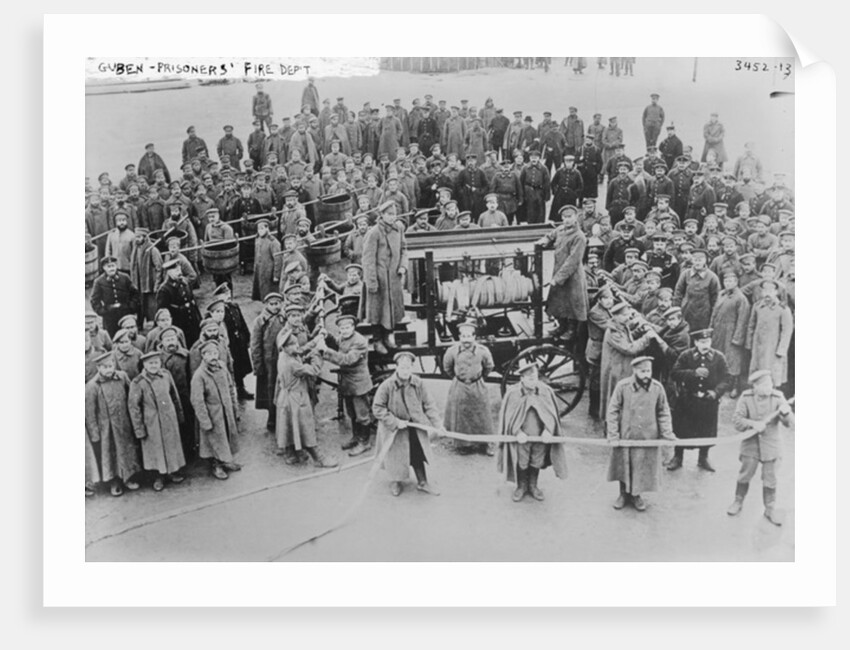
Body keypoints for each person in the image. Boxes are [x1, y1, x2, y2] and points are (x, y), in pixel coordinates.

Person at [606, 356, 677, 511]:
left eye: (648, 371)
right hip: (627, 436)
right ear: (634, 371)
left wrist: (667, 434)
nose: (646, 374)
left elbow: (663, 412)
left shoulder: (657, 388)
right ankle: (623, 494)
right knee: (623, 465)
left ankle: (637, 495)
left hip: (647, 437)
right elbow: (612, 410)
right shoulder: (623, 387)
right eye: (642, 371)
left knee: (641, 467)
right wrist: (613, 435)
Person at [495, 356, 568, 502]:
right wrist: (517, 432)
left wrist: (548, 430)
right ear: (521, 379)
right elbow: (508, 418)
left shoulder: (545, 391)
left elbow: (552, 414)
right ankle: (521, 486)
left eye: (534, 378)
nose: (532, 382)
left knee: (537, 460)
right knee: (521, 461)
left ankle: (533, 485)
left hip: (540, 437)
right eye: (529, 379)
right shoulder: (513, 393)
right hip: (521, 438)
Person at [727, 369, 794, 525]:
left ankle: (770, 509)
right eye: (765, 385)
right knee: (745, 474)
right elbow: (737, 420)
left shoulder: (778, 397)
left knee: (770, 478)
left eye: (770, 384)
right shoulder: (746, 397)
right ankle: (738, 501)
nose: (769, 388)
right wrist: (753, 424)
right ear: (755, 387)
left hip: (771, 444)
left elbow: (791, 424)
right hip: (750, 443)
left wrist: (786, 413)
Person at [372, 350, 443, 497]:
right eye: (402, 367)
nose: (406, 371)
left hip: (415, 427)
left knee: (417, 453)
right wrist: (395, 422)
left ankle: (423, 482)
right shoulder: (387, 385)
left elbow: (429, 404)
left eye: (409, 367)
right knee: (395, 455)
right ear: (396, 367)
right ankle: (396, 482)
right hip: (394, 429)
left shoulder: (418, 383)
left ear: (412, 368)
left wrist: (438, 425)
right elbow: (377, 408)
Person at [667, 328, 730, 472]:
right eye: (702, 342)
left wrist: (716, 393)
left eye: (707, 341)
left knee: (706, 430)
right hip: (688, 400)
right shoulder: (686, 355)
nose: (705, 345)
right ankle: (678, 457)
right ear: (695, 342)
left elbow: (727, 378)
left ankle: (703, 458)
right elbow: (675, 373)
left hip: (709, 401)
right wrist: (692, 373)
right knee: (682, 429)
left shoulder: (718, 357)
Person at [273, 328, 338, 467]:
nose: (296, 347)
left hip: (285, 397)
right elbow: (314, 370)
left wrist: (316, 339)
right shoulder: (292, 364)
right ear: (284, 347)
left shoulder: (283, 356)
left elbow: (300, 352)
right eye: (292, 345)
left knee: (289, 425)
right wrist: (317, 353)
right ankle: (318, 458)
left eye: (296, 343)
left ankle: (292, 454)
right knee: (306, 427)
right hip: (297, 398)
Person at [85, 351, 142, 497]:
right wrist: (94, 433)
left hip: (124, 423)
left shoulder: (122, 377)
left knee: (127, 452)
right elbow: (90, 412)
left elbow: (132, 397)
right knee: (110, 454)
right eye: (104, 367)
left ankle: (128, 478)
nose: (108, 369)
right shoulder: (92, 386)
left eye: (110, 365)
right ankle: (114, 482)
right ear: (98, 368)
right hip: (106, 429)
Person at [128, 351, 186, 492]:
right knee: (155, 450)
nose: (153, 366)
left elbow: (174, 395)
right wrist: (139, 428)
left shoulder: (166, 375)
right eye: (150, 363)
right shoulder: (138, 382)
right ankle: (158, 477)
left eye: (156, 362)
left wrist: (179, 415)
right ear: (144, 365)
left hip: (168, 418)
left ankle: (172, 471)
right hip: (151, 423)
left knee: (171, 446)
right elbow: (133, 406)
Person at [320, 313, 374, 456]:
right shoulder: (344, 338)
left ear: (353, 327)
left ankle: (364, 442)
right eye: (342, 328)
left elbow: (347, 359)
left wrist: (326, 352)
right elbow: (337, 344)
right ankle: (356, 437)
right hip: (348, 383)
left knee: (362, 415)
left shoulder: (359, 341)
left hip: (358, 384)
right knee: (352, 413)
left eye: (347, 327)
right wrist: (327, 337)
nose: (345, 330)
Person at [360, 200, 408, 355]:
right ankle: (377, 340)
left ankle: (388, 336)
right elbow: (368, 259)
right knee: (377, 311)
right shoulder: (374, 233)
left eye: (394, 214)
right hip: (378, 279)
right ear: (381, 215)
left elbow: (404, 249)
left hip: (393, 279)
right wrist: (371, 282)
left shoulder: (399, 229)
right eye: (389, 214)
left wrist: (403, 266)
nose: (392, 217)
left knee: (392, 310)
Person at [442, 321, 496, 456]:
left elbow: (489, 366)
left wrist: (478, 378)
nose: (466, 340)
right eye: (463, 337)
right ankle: (463, 445)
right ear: (459, 337)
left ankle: (487, 443)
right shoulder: (452, 351)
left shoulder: (483, 351)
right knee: (461, 415)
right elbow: (447, 367)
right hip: (460, 386)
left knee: (482, 414)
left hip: (477, 385)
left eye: (469, 336)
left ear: (474, 337)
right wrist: (459, 380)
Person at [191, 340, 242, 480]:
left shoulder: (222, 367)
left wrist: (234, 407)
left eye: (215, 353)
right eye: (209, 354)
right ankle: (216, 465)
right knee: (214, 440)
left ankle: (225, 460)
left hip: (226, 411)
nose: (213, 356)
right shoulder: (199, 375)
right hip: (213, 414)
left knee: (226, 437)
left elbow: (231, 388)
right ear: (203, 356)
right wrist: (205, 421)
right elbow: (197, 401)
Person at [599, 302, 659, 418]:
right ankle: (612, 426)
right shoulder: (613, 332)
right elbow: (629, 348)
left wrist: (640, 331)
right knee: (617, 398)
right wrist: (646, 338)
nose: (629, 318)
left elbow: (628, 338)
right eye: (625, 315)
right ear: (617, 316)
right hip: (617, 371)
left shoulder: (620, 326)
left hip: (621, 367)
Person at [538, 204, 588, 341]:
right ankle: (561, 326)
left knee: (572, 303)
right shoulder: (560, 229)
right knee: (559, 301)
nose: (566, 220)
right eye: (564, 217)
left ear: (576, 217)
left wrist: (558, 278)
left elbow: (573, 260)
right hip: (559, 271)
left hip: (572, 276)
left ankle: (571, 330)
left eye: (569, 217)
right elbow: (550, 235)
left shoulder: (579, 237)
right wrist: (545, 240)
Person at [745, 278, 793, 389]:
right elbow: (751, 326)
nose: (767, 294)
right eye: (765, 291)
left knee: (772, 374)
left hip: (773, 348)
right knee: (757, 372)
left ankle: (772, 395)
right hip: (758, 347)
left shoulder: (783, 309)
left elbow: (787, 331)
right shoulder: (757, 306)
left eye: (771, 291)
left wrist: (781, 349)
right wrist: (749, 343)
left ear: (776, 292)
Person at [710, 270, 751, 396]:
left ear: (736, 282)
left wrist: (738, 338)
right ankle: (722, 384)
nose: (728, 283)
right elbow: (714, 313)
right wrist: (710, 328)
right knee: (719, 356)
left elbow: (743, 320)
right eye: (726, 281)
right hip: (719, 331)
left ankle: (735, 386)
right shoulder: (721, 294)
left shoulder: (740, 298)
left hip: (731, 332)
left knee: (733, 359)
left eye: (731, 281)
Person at [250, 292, 287, 431]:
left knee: (284, 386)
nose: (275, 307)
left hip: (283, 358)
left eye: (277, 303)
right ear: (266, 305)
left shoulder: (285, 318)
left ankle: (284, 415)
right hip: (268, 361)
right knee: (270, 388)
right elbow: (255, 345)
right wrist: (258, 365)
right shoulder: (260, 321)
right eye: (272, 304)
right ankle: (272, 416)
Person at [156, 258, 202, 348]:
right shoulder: (164, 289)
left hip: (192, 323)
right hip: (178, 323)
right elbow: (162, 312)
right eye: (175, 270)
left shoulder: (185, 283)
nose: (179, 272)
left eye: (179, 269)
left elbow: (192, 302)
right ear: (169, 272)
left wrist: (199, 319)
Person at [90, 257, 139, 337]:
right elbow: (94, 300)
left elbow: (135, 294)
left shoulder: (125, 278)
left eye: (113, 266)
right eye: (109, 266)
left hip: (125, 314)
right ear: (104, 268)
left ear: (116, 266)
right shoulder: (99, 281)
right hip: (110, 317)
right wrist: (103, 311)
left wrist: (130, 307)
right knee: (112, 337)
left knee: (128, 336)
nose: (111, 268)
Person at [673, 249, 720, 331]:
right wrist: (676, 311)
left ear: (706, 261)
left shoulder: (712, 277)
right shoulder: (685, 274)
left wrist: (714, 316)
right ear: (692, 260)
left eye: (700, 260)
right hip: (686, 312)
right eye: (695, 260)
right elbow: (678, 293)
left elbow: (716, 299)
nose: (698, 263)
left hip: (704, 315)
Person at [252, 218, 282, 301]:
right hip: (260, 270)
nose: (260, 231)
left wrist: (276, 275)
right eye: (258, 229)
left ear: (267, 228)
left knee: (270, 292)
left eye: (262, 228)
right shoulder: (257, 240)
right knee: (261, 290)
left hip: (269, 272)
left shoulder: (273, 242)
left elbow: (278, 259)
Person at [519, 149, 550, 224]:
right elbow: (521, 182)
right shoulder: (525, 168)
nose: (534, 159)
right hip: (528, 192)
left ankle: (540, 225)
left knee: (540, 211)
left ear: (539, 158)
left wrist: (547, 195)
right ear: (529, 158)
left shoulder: (544, 168)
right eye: (532, 157)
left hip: (539, 192)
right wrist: (522, 195)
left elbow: (547, 183)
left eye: (536, 157)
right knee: (530, 211)